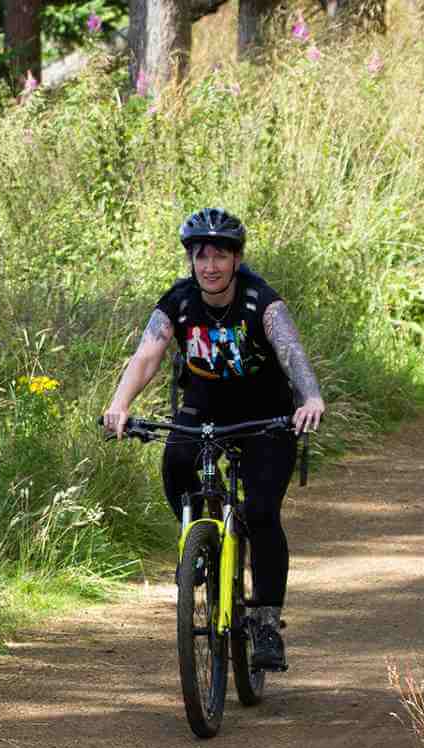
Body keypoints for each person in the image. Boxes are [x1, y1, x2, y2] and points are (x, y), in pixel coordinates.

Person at [100, 208, 327, 671]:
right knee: (176, 461)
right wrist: (120, 404)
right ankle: (200, 541)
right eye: (201, 256)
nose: (210, 266)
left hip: (266, 415)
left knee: (262, 512)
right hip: (203, 406)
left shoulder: (261, 301)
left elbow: (290, 353)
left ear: (237, 259)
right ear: (191, 260)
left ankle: (265, 621)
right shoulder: (179, 303)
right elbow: (147, 357)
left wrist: (310, 398)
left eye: (220, 256)